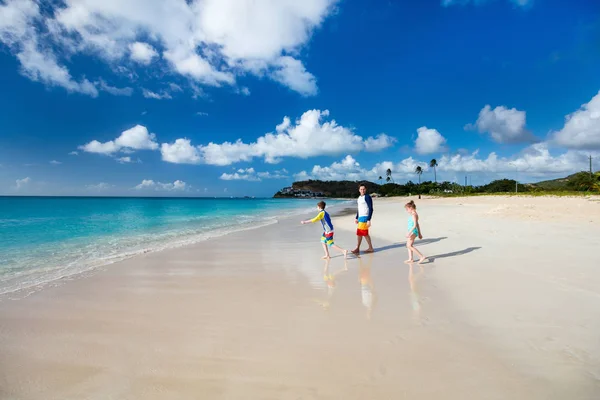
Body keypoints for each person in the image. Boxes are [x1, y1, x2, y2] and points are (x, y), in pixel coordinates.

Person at [352, 184, 374, 254]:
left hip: (365, 217)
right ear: (359, 190)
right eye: (361, 189)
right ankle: (369, 248)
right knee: (363, 233)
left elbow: (371, 209)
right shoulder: (359, 198)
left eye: (364, 189)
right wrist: (356, 217)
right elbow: (359, 209)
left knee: (361, 233)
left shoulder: (367, 197)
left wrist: (368, 219)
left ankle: (358, 248)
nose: (362, 190)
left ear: (366, 189)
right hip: (360, 218)